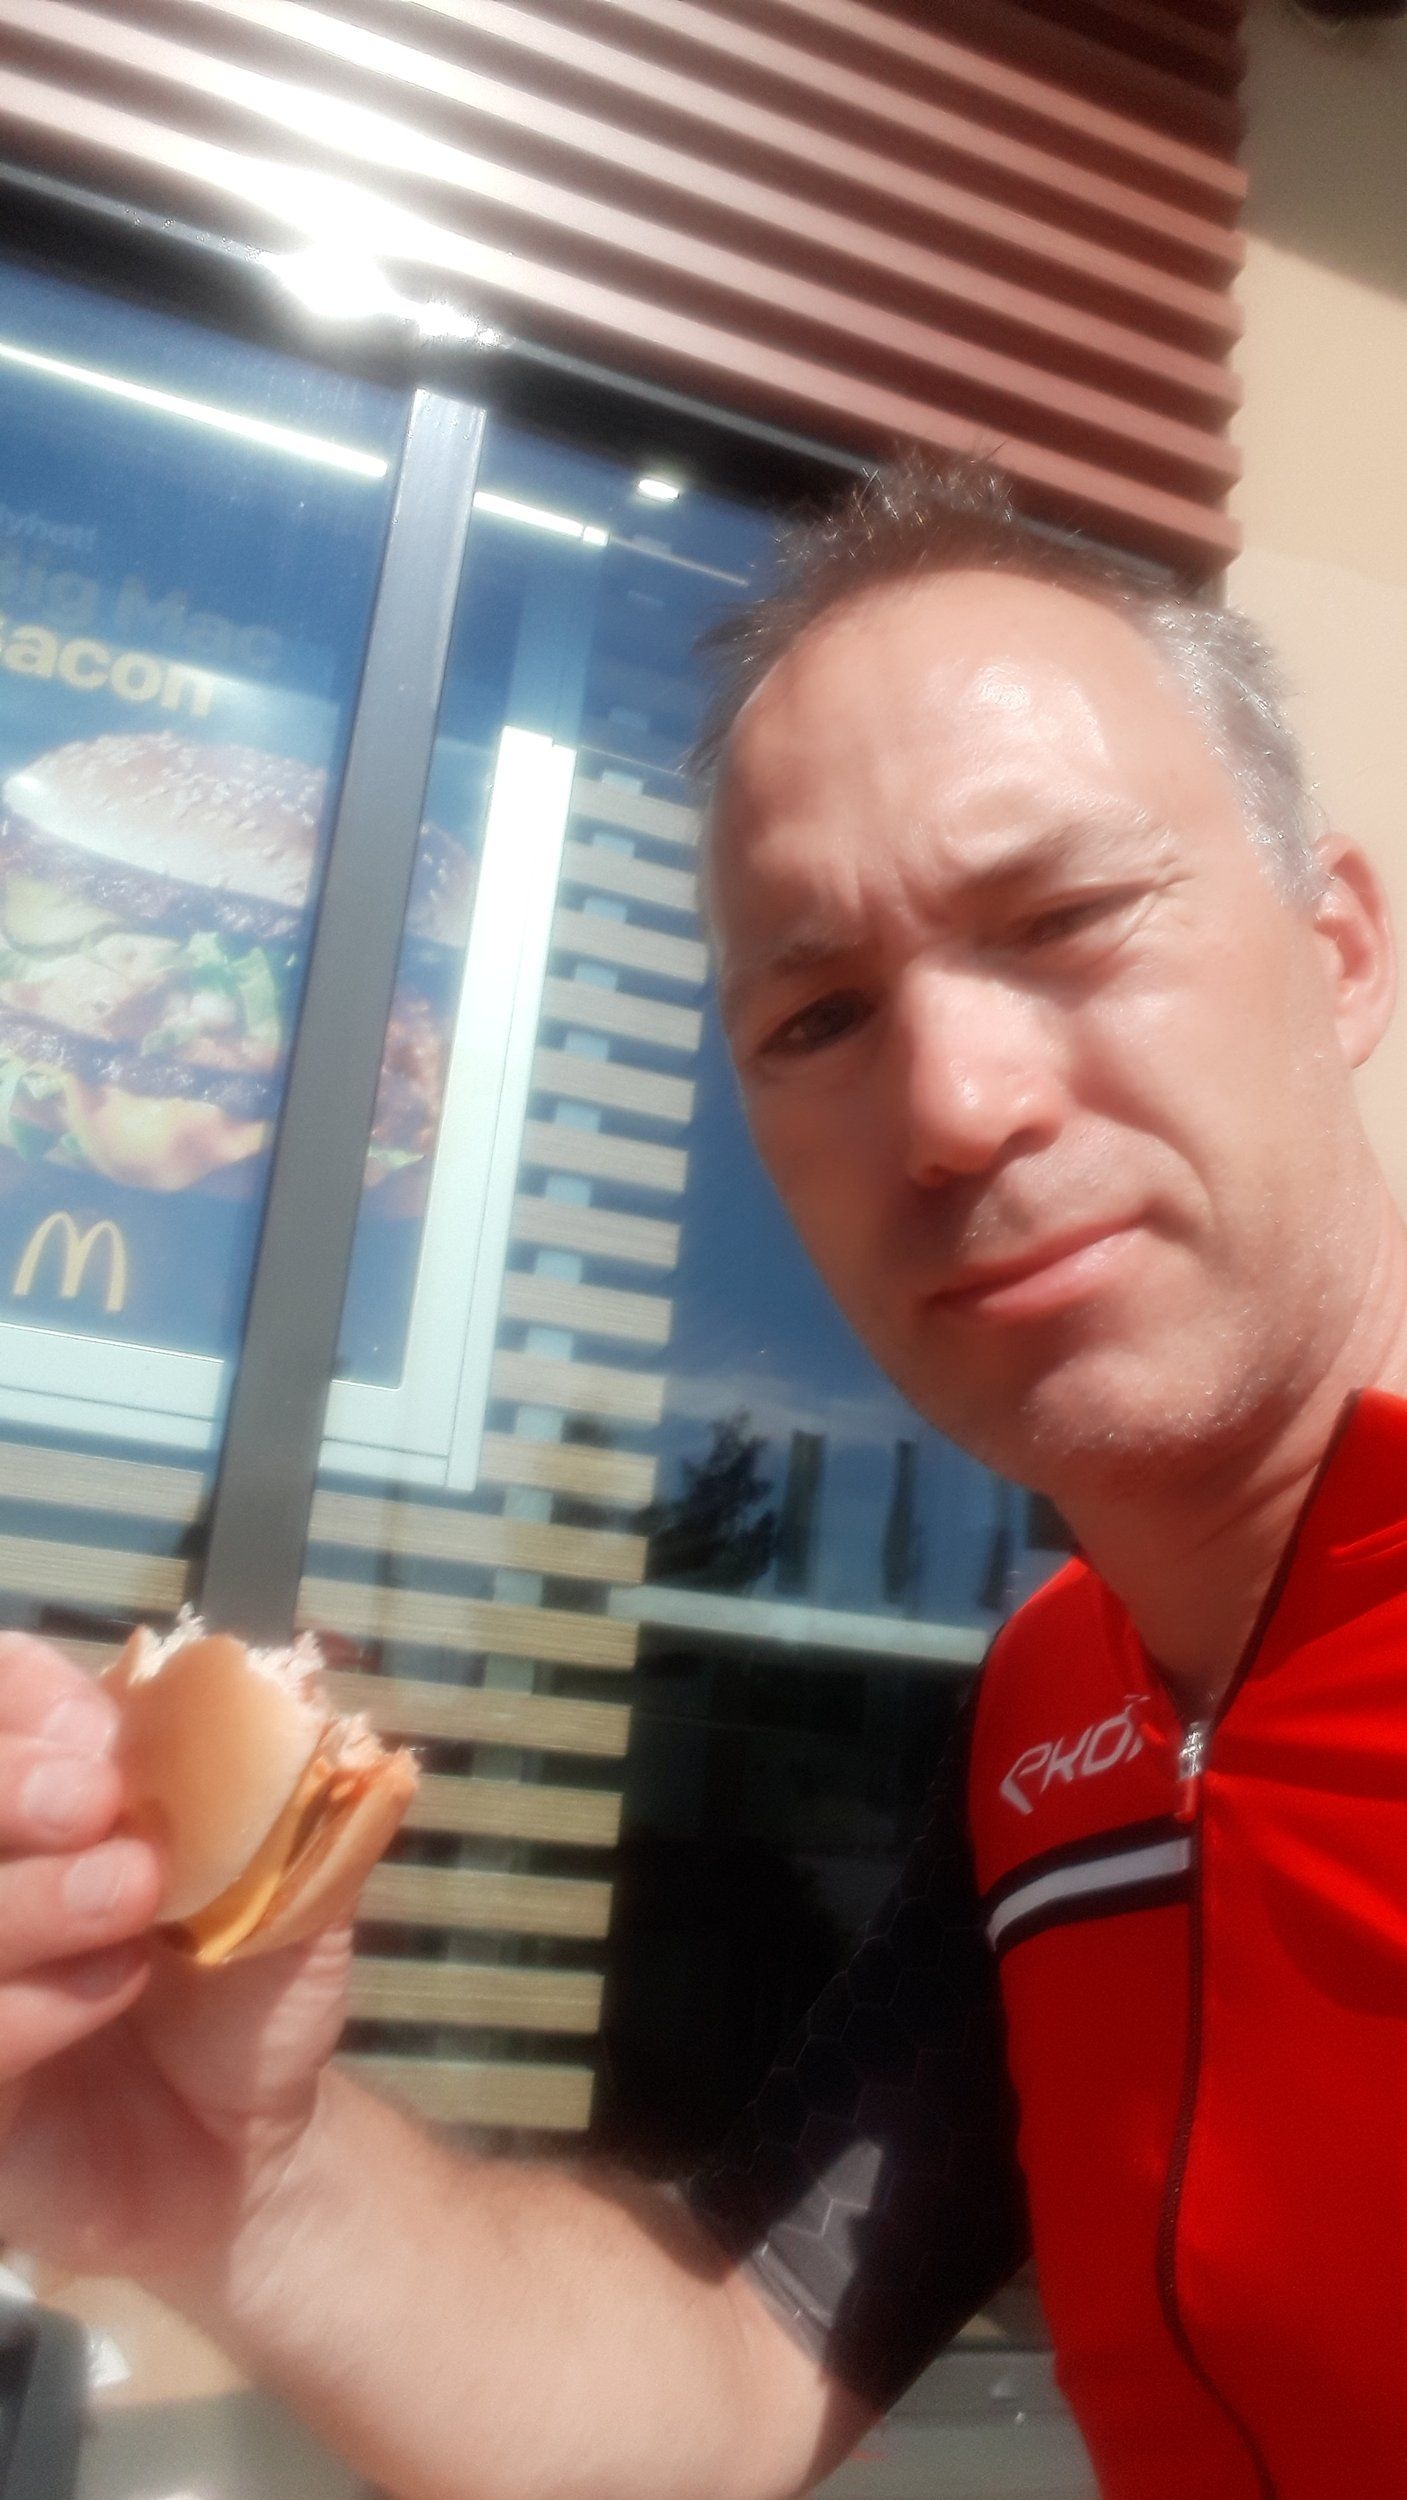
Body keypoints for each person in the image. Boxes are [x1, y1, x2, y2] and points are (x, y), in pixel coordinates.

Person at [0, 456, 1403, 2500]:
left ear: (1339, 948)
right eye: (817, 1016)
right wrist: (245, 2179)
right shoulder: (1055, 1714)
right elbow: (737, 2376)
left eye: (1065, 916)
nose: (952, 1104)